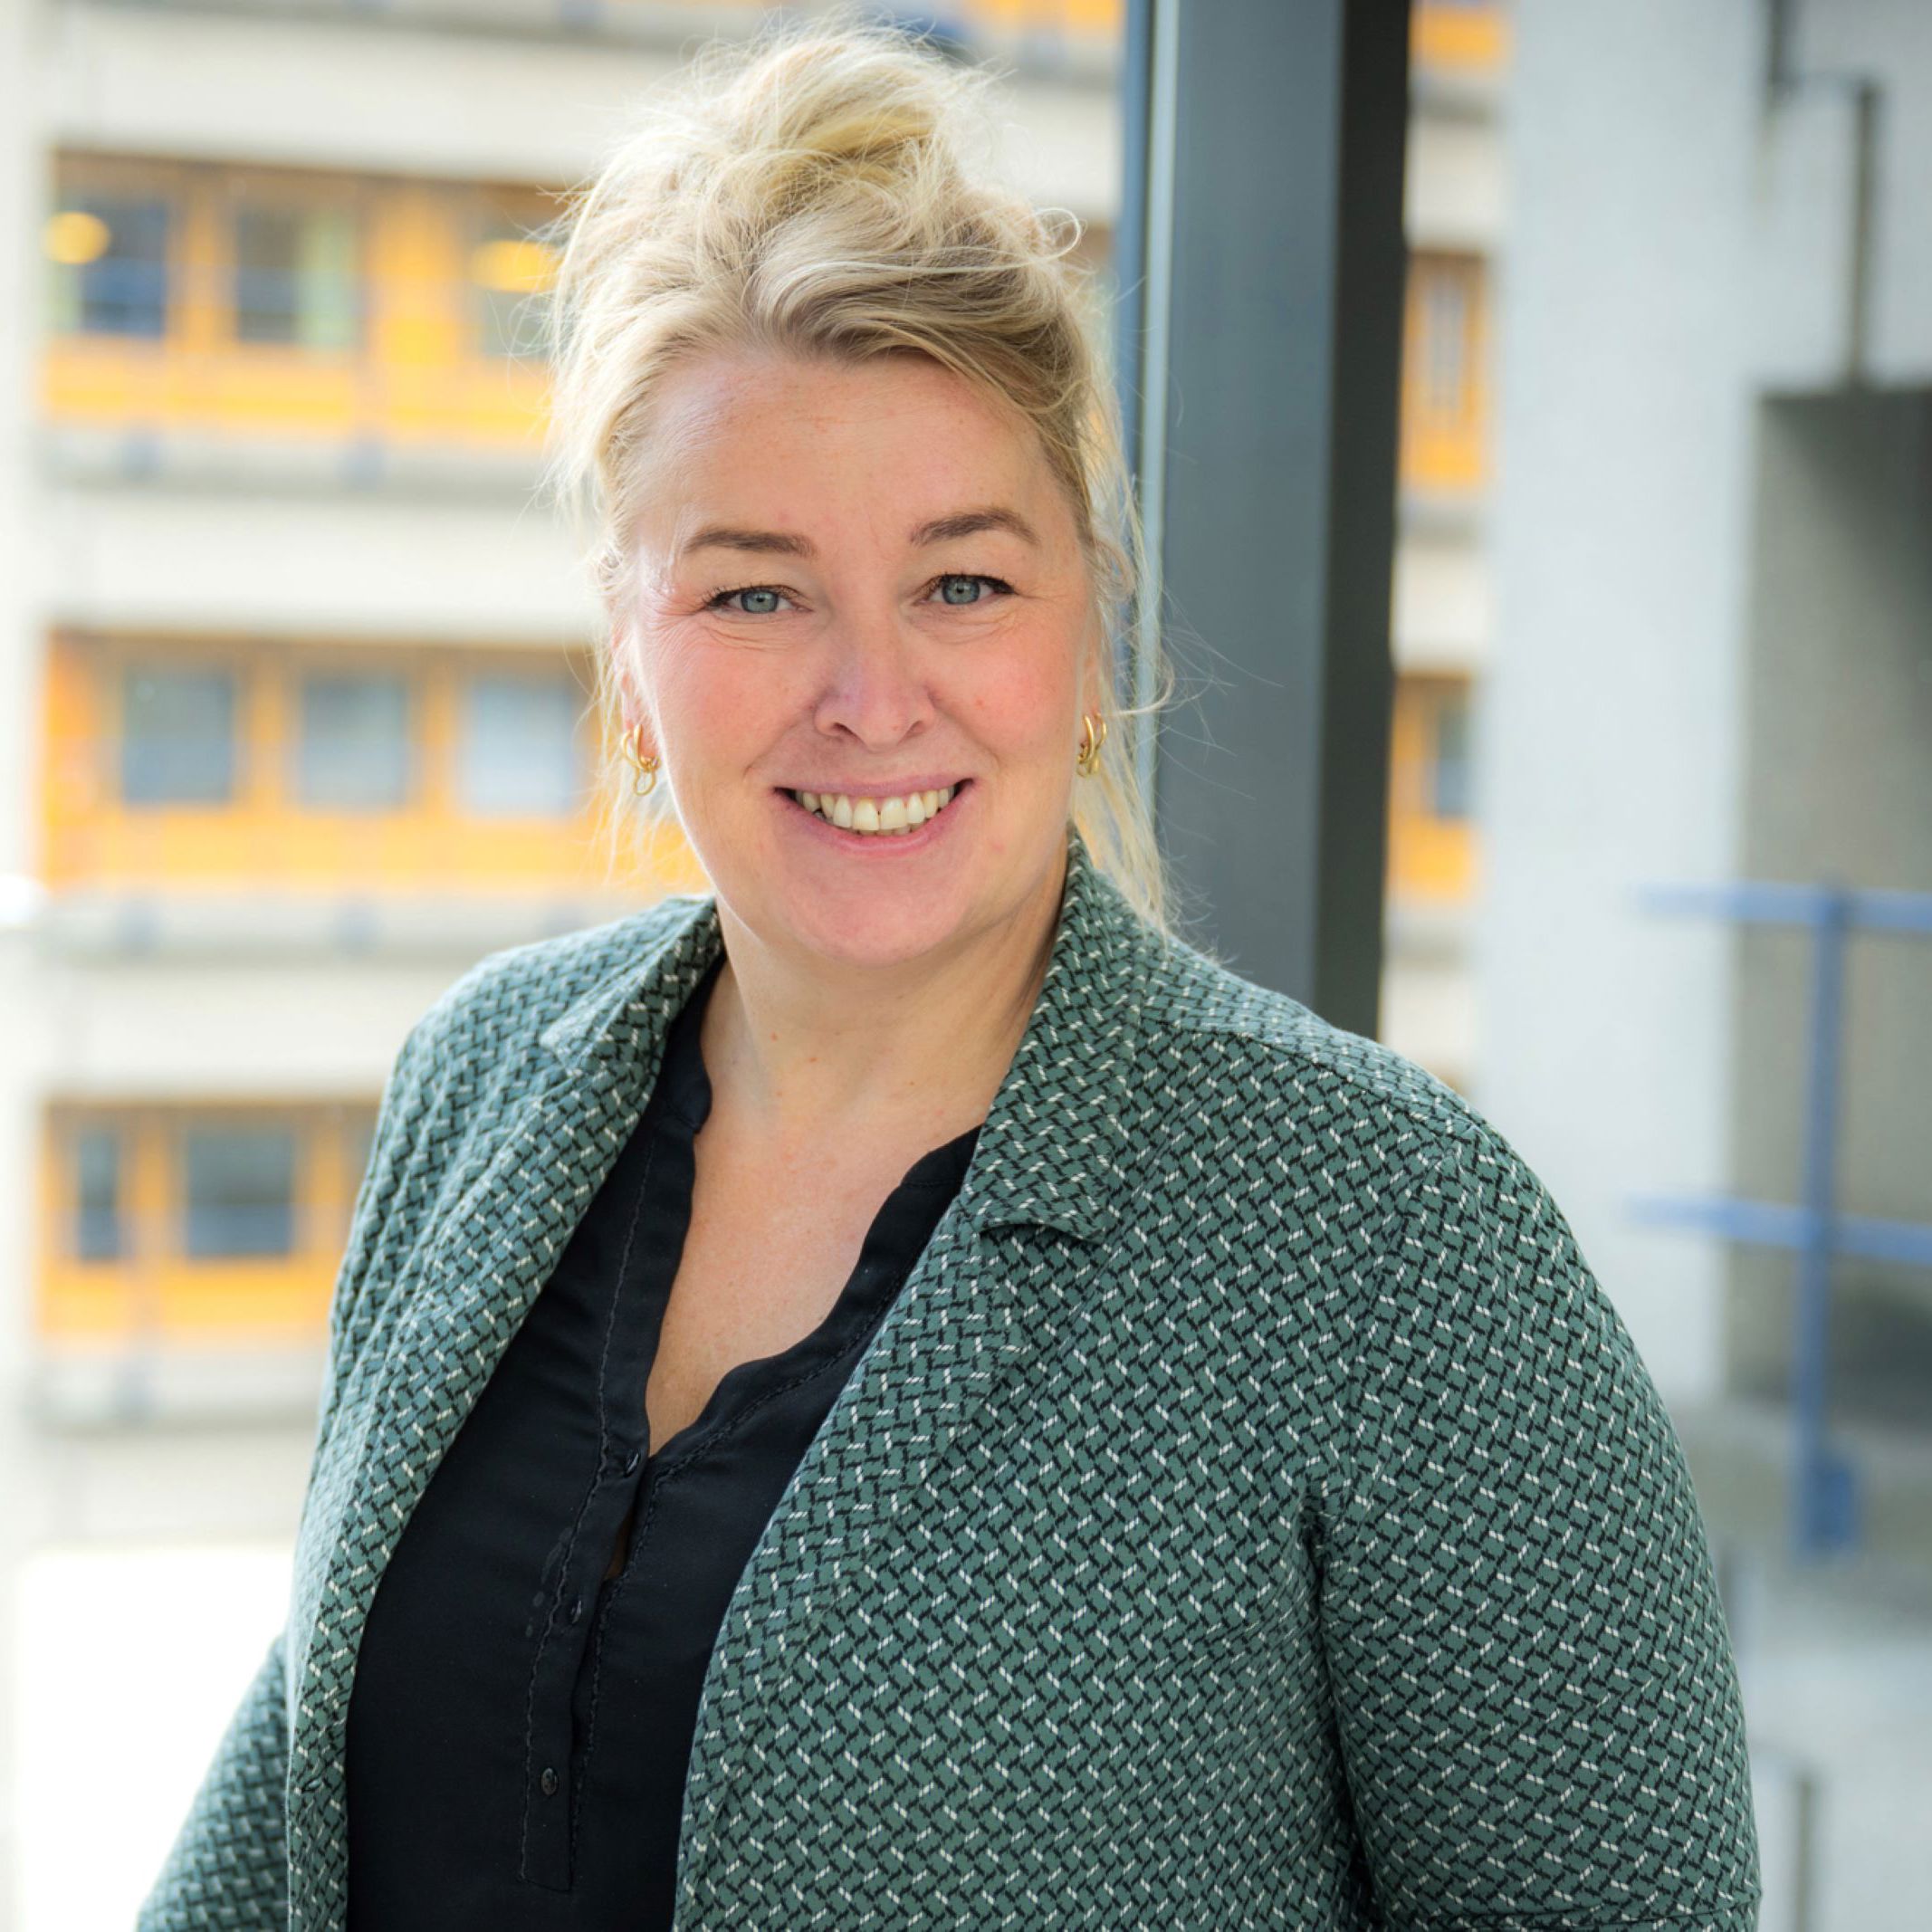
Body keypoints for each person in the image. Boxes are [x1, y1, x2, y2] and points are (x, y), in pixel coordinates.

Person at [139, 14, 1761, 1931]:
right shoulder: (481, 1083)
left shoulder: (1386, 1235)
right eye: (754, 589)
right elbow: (301, 1792)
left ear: (1088, 629)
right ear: (629, 657)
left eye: (962, 582)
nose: (870, 695)